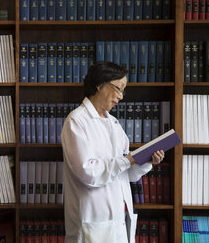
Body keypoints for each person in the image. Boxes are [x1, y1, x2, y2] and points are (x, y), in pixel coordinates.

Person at [61, 61, 165, 243]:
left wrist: (146, 161)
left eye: (123, 91)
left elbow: (127, 175)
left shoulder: (114, 123)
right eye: (118, 88)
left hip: (118, 220)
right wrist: (128, 160)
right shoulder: (76, 121)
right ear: (99, 84)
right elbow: (88, 172)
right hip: (91, 222)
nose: (121, 96)